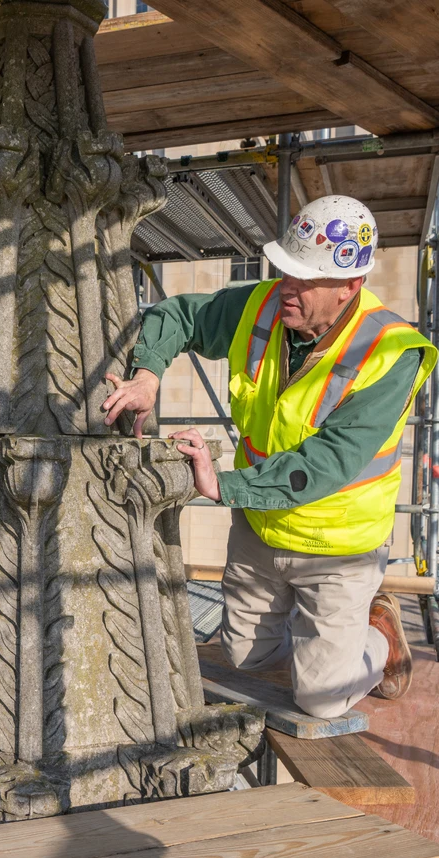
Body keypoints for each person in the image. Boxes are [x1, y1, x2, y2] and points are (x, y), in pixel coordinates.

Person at [103, 195, 437, 720]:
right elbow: (176, 315)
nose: (287, 288)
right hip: (261, 527)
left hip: (338, 547)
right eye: (284, 271)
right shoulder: (262, 306)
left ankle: (376, 638)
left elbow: (327, 462)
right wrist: (147, 376)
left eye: (305, 279)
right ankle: (329, 645)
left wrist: (226, 486)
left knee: (322, 699)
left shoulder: (391, 352)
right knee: (245, 658)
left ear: (350, 286)